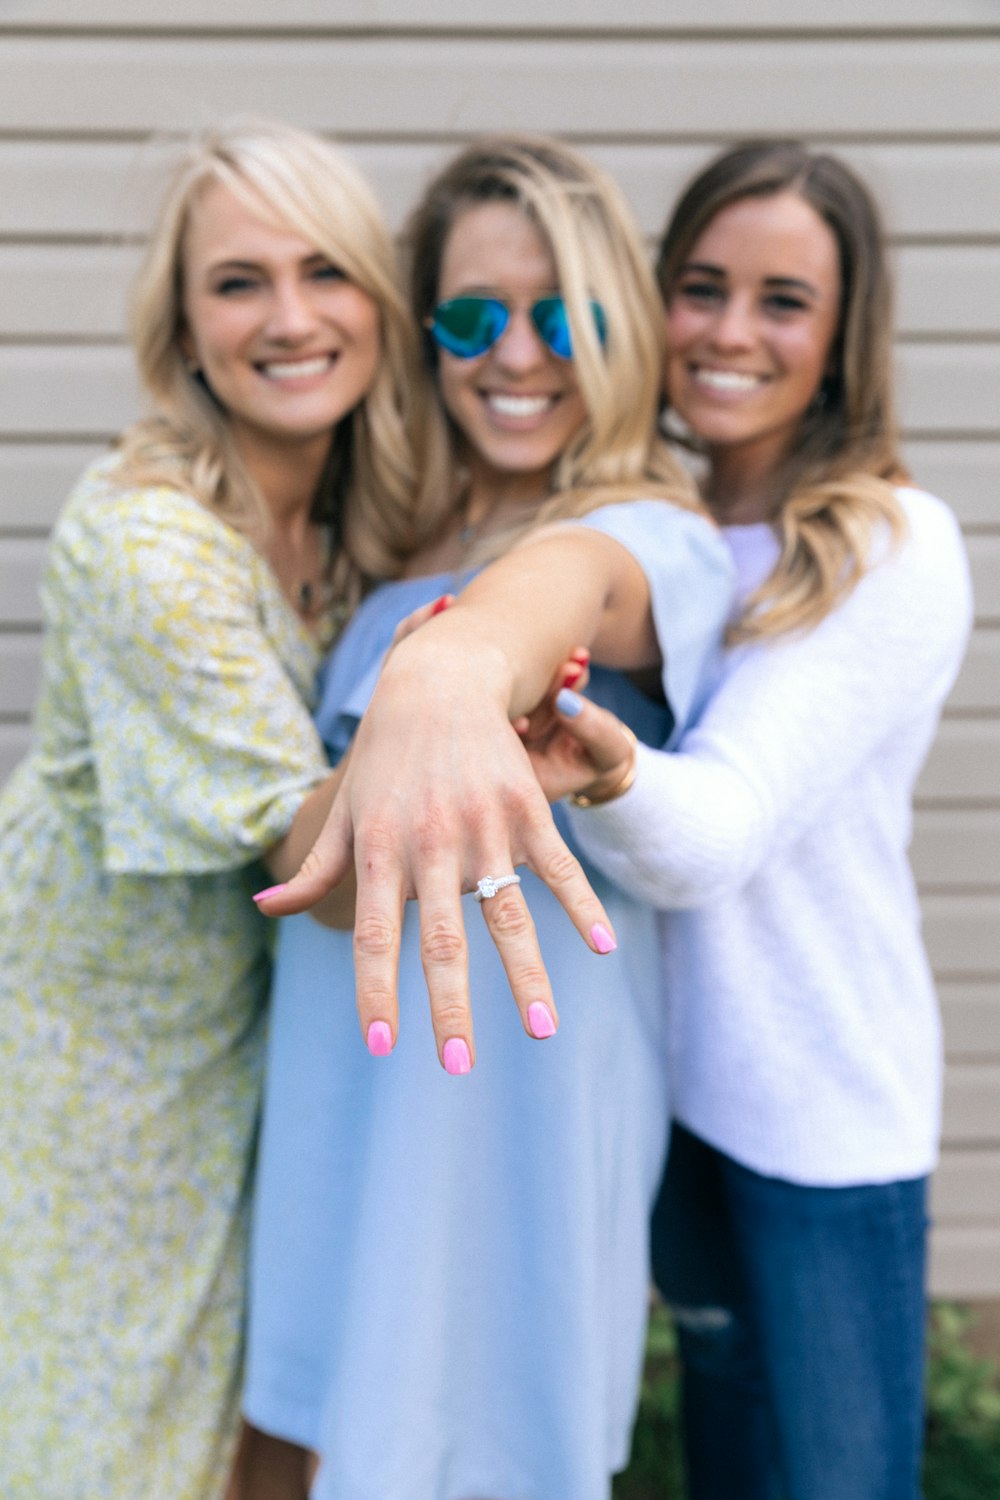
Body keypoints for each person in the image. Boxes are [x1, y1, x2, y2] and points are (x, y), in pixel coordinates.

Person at [461, 141, 975, 1500]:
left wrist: (611, 767)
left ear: (842, 334)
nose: (731, 331)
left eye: (783, 300)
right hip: (670, 1097)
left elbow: (722, 832)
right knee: (729, 1469)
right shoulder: (653, 519)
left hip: (819, 1117)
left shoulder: (890, 543)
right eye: (701, 286)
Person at [239, 135, 735, 1500]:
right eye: (471, 316)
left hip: (504, 1131)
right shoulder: (385, 550)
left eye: (560, 317)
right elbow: (322, 869)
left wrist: (454, 666)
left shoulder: (651, 535)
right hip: (344, 1108)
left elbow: (562, 586)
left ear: (617, 331)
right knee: (295, 1438)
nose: (514, 355)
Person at [0, 117, 446, 1499]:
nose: (291, 316)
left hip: (241, 1066)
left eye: (327, 272)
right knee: (93, 1446)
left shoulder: (352, 527)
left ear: (380, 302)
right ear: (184, 327)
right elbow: (306, 849)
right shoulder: (146, 542)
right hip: (85, 1085)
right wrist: (466, 728)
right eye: (239, 281)